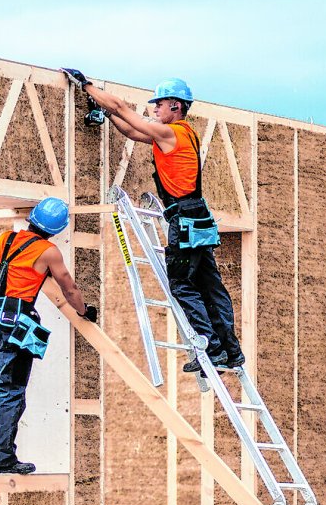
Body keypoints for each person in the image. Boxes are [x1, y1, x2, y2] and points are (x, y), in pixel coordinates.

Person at [62, 68, 244, 374]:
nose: (154, 108)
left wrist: (87, 86)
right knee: (211, 288)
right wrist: (106, 116)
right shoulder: (179, 136)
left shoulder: (172, 132)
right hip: (197, 216)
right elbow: (132, 131)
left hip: (184, 219)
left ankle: (211, 350)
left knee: (183, 285)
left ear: (176, 105)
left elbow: (122, 108)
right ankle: (230, 351)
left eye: (159, 104)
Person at [0, 197, 97, 474]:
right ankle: (1, 459)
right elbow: (68, 287)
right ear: (56, 230)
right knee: (9, 391)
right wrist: (84, 311)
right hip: (13, 325)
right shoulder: (49, 252)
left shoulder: (3, 239)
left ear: (32, 218)